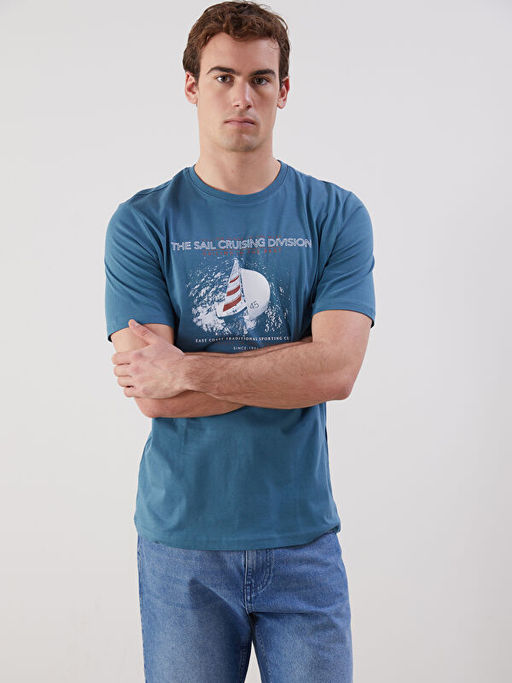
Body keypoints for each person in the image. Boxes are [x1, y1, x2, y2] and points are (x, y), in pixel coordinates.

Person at [104, 2, 376, 681]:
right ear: (191, 86)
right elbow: (154, 396)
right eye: (223, 77)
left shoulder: (335, 214)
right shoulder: (142, 224)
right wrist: (292, 366)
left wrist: (187, 368)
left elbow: (336, 371)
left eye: (260, 79)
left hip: (302, 536)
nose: (242, 96)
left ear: (283, 91)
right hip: (182, 544)